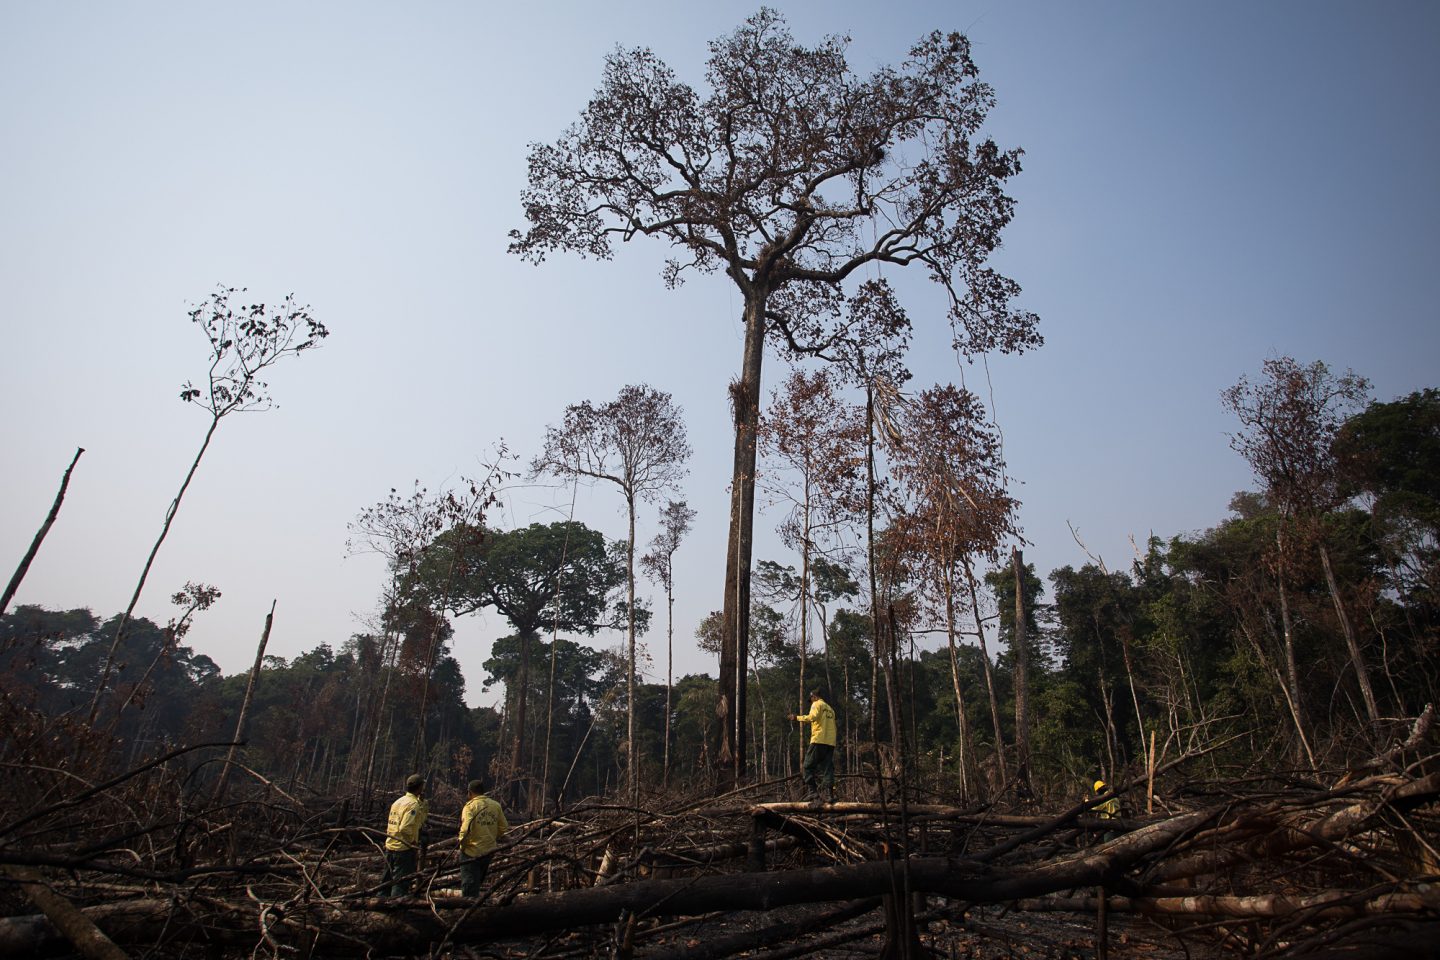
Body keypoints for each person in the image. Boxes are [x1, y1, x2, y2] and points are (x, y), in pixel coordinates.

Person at [457, 778, 508, 898]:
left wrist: (462, 845)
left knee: (469, 886)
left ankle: (468, 911)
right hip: (489, 851)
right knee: (477, 882)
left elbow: (465, 829)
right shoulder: (495, 806)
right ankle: (475, 907)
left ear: (470, 792)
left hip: (472, 852)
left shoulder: (470, 807)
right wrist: (492, 837)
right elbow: (503, 827)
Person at [383, 774, 429, 897]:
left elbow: (420, 820)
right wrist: (412, 842)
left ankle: (380, 903)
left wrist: (423, 805)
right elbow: (405, 827)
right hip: (403, 848)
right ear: (419, 787)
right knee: (400, 883)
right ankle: (395, 909)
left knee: (386, 880)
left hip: (390, 845)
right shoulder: (412, 804)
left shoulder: (398, 802)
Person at [795, 689, 837, 802]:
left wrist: (796, 718)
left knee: (807, 766)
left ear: (814, 696)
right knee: (828, 768)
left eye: (811, 699)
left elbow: (812, 717)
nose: (811, 701)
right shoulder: (830, 709)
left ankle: (813, 792)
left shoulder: (817, 704)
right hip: (830, 742)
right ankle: (829, 795)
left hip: (819, 740)